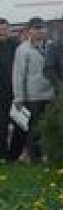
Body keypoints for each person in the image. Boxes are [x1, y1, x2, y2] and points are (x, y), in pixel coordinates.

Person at [11, 17, 54, 161]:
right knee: (34, 129)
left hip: (51, 94)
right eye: (36, 28)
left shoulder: (51, 46)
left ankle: (49, 154)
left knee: (50, 126)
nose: (40, 31)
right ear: (29, 31)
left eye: (42, 28)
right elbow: (18, 75)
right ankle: (35, 158)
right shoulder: (23, 49)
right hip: (32, 96)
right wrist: (19, 97)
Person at [0, 17, 18, 160]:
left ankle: (15, 154)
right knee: (2, 125)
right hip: (1, 94)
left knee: (20, 125)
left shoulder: (14, 45)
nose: (2, 32)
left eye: (5, 29)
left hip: (15, 92)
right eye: (0, 29)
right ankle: (3, 154)